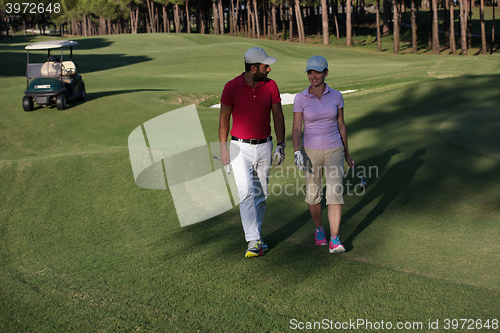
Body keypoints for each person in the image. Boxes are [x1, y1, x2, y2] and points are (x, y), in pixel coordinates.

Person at [219, 47, 286, 258]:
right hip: (239, 147)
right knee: (246, 191)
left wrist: (281, 145)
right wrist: (223, 148)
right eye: (266, 66)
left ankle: (256, 237)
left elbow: (278, 115)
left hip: (265, 145)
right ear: (254, 67)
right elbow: (223, 119)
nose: (269, 69)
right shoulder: (231, 87)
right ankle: (253, 241)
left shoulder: (271, 86)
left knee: (261, 196)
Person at [292, 55, 355, 253]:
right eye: (310, 72)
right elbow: (296, 128)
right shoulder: (300, 98)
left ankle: (334, 239)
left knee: (334, 193)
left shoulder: (336, 96)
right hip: (310, 151)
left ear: (326, 73)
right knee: (313, 195)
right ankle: (319, 230)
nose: (313, 76)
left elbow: (341, 125)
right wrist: (296, 151)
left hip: (334, 148)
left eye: (317, 72)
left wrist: (347, 153)